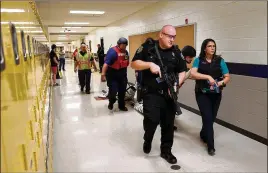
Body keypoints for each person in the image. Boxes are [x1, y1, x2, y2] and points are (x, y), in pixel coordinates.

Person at [131, 25, 187, 164]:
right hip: (152, 93)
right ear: (161, 35)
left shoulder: (176, 52)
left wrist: (176, 84)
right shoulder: (147, 48)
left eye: (174, 37)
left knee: (168, 124)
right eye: (169, 36)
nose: (172, 39)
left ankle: (166, 151)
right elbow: (134, 64)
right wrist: (149, 65)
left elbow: (182, 71)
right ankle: (148, 139)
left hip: (169, 94)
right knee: (152, 120)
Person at [190, 38, 230, 156]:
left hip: (216, 94)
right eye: (209, 46)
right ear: (204, 48)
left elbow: (227, 76)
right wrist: (207, 77)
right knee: (207, 117)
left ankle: (203, 133)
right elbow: (193, 73)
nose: (212, 48)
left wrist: (220, 83)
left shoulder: (220, 61)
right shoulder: (198, 60)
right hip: (202, 93)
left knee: (211, 118)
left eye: (214, 46)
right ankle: (210, 146)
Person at [101, 37, 129, 111]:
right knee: (113, 91)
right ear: (119, 44)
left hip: (122, 74)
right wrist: (103, 74)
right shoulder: (112, 52)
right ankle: (111, 102)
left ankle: (121, 106)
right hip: (113, 74)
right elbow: (106, 64)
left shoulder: (126, 52)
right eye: (123, 45)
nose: (124, 47)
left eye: (125, 45)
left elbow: (126, 62)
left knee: (122, 92)